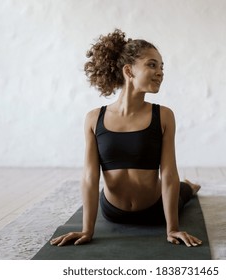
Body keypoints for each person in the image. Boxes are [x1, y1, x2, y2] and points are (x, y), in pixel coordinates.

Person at [50, 29, 202, 247]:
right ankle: (187, 185)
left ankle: (189, 186)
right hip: (114, 211)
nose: (160, 72)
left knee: (183, 191)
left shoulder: (164, 115)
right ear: (129, 71)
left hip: (156, 210)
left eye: (161, 67)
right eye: (152, 65)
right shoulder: (94, 118)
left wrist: (173, 229)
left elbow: (168, 173)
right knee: (178, 187)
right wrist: (87, 230)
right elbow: (90, 177)